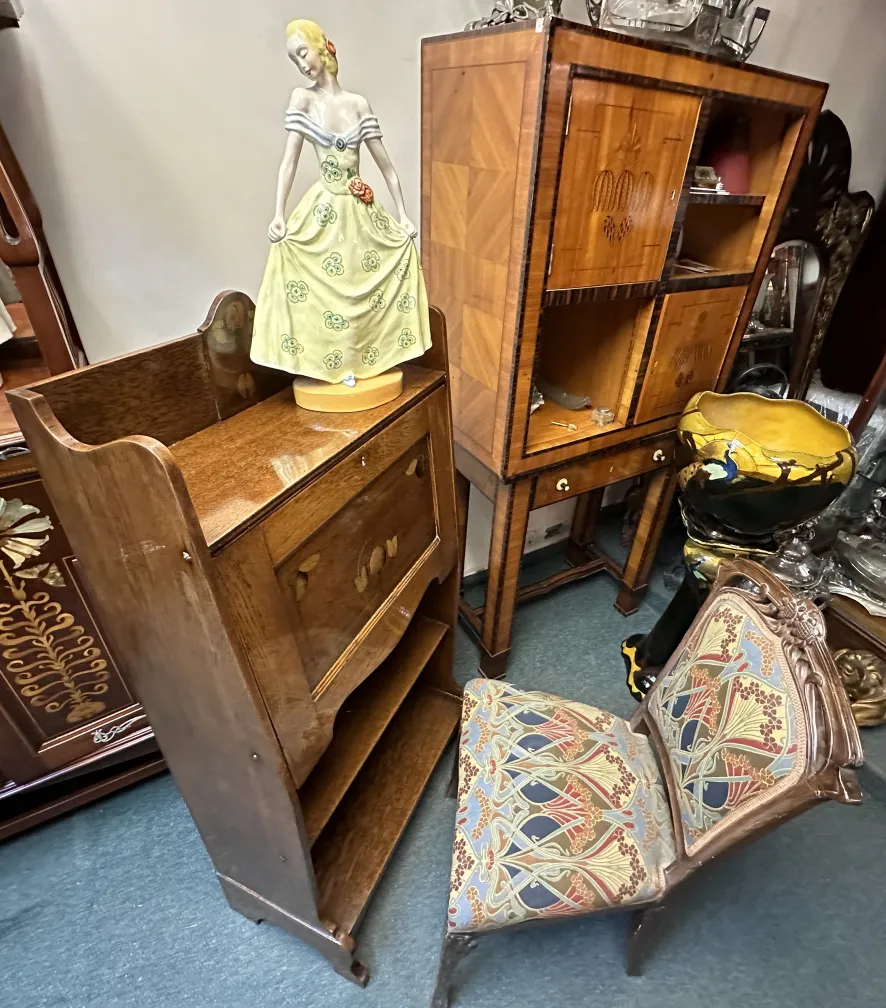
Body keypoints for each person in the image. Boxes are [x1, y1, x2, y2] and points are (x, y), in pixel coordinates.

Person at [250, 19, 430, 385]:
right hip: (325, 207)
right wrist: (279, 214)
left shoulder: (358, 104)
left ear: (322, 47)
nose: (301, 64)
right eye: (294, 59)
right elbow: (290, 161)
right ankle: (331, 365)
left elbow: (387, 167)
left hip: (360, 210)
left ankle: (363, 361)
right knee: (325, 289)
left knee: (366, 282)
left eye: (302, 53)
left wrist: (404, 215)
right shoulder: (303, 100)